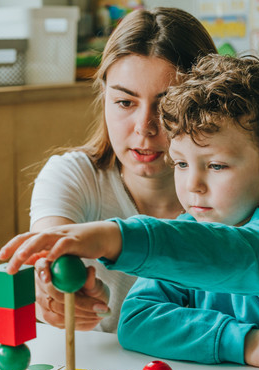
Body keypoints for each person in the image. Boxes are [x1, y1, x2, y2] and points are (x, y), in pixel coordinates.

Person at [0, 54, 259, 370]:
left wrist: (118, 237)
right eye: (181, 163)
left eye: (217, 166)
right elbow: (137, 320)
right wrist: (244, 342)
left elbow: (233, 255)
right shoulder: (191, 228)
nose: (193, 185)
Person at [28, 7, 217, 332]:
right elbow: (50, 248)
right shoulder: (73, 175)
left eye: (166, 105)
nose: (144, 128)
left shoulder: (233, 193)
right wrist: (52, 288)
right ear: (104, 96)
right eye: (125, 102)